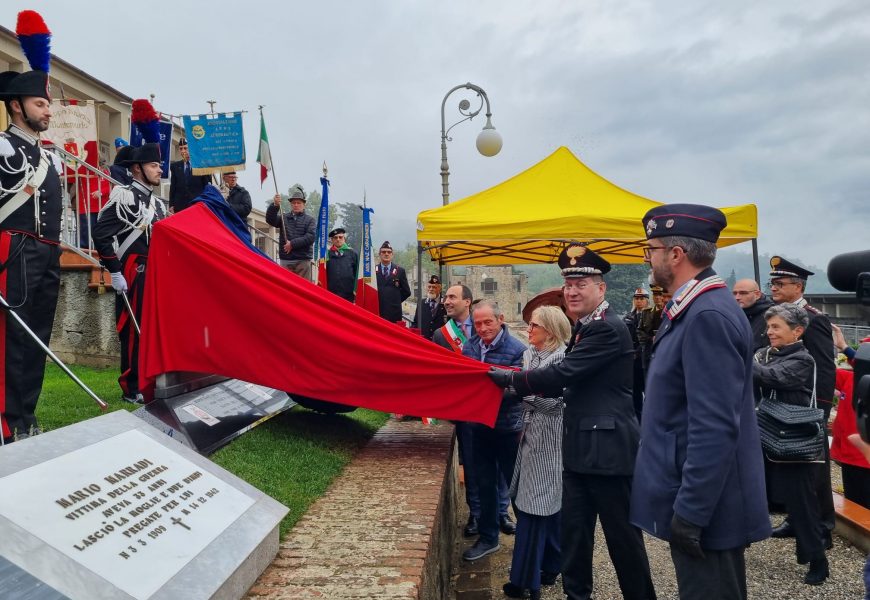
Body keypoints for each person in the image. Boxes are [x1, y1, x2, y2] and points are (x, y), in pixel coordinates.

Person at [490, 244, 656, 600]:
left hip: (609, 455)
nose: (573, 291)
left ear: (601, 288)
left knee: (623, 543)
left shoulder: (607, 328)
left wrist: (510, 381)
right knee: (574, 539)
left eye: (582, 283)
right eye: (568, 284)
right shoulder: (585, 328)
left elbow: (563, 373)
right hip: (579, 451)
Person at [630, 204, 770, 600]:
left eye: (650, 249)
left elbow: (714, 427)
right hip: (703, 499)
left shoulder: (707, 315)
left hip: (709, 507)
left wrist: (691, 511)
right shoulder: (695, 308)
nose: (648, 258)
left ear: (676, 255)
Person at [0, 47, 63, 442]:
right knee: (13, 339)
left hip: (48, 250)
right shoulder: (2, 147)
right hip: (15, 247)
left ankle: (26, 417)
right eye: (40, 103)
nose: (48, 111)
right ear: (16, 106)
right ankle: (6, 421)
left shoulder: (50, 157)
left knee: (37, 336)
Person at [753, 303, 828, 585]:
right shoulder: (765, 354)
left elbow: (774, 377)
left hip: (791, 438)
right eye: (768, 326)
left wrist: (738, 358)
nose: (769, 332)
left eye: (776, 327)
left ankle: (817, 558)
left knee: (802, 500)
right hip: (765, 431)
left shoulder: (803, 359)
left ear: (797, 331)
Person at [502, 306, 572, 600]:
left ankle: (525, 580)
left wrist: (519, 391)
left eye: (534, 326)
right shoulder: (530, 354)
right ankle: (551, 565)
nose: (528, 330)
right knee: (543, 506)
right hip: (530, 432)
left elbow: (558, 405)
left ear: (551, 331)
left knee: (534, 508)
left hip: (551, 439)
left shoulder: (562, 358)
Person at [767, 256, 836, 544]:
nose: (774, 287)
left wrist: (819, 408)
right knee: (790, 463)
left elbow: (824, 366)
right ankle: (797, 520)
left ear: (798, 286)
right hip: (785, 404)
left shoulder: (814, 319)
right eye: (772, 283)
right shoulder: (776, 316)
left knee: (815, 467)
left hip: (808, 406)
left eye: (780, 283)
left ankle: (823, 527)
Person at [93, 143, 167, 403]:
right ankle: (132, 385)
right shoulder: (123, 196)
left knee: (153, 329)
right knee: (133, 331)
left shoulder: (157, 205)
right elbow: (101, 234)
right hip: (133, 270)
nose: (160, 170)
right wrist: (114, 270)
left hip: (155, 272)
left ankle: (151, 380)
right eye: (154, 165)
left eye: (159, 165)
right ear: (137, 168)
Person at [461, 300, 525, 562]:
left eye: (488, 322)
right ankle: (488, 538)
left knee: (517, 486)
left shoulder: (517, 349)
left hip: (508, 428)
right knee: (484, 484)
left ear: (500, 319)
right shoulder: (471, 346)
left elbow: (520, 388)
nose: (483, 328)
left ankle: (529, 538)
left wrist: (486, 392)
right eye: (478, 323)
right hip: (480, 428)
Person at [831, 325, 870, 509]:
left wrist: (846, 349)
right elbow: (824, 370)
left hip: (863, 457)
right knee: (853, 503)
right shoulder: (848, 378)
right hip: (849, 455)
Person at [266, 185, 315, 278]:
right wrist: (275, 205)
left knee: (303, 288)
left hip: (303, 260)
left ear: (304, 204)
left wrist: (292, 244)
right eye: (293, 203)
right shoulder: (284, 218)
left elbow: (310, 237)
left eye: (298, 203)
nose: (296, 205)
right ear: (290, 204)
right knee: (285, 288)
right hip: (286, 259)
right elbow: (270, 220)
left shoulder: (310, 220)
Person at [623, 287, 648, 420]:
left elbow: (648, 339)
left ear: (646, 301)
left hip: (645, 359)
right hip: (631, 361)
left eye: (642, 299)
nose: (639, 301)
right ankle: (637, 420)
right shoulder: (628, 317)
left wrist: (637, 352)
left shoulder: (650, 316)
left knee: (649, 392)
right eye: (637, 298)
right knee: (634, 393)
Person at [168, 137, 211, 214]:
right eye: (181, 149)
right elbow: (173, 187)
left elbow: (207, 187)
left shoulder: (201, 165)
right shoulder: (175, 166)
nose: (183, 151)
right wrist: (171, 205)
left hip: (197, 206)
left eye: (185, 148)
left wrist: (206, 204)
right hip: (180, 207)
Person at [733, 278, 774, 353]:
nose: (737, 297)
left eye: (743, 293)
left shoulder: (772, 316)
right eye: (735, 293)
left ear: (757, 294)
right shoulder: (732, 314)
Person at [376, 241, 411, 324]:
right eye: (383, 252)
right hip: (377, 312)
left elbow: (407, 292)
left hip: (394, 313)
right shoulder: (373, 271)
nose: (386, 254)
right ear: (380, 254)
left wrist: (395, 300)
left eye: (389, 252)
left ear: (392, 254)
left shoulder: (400, 271)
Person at [636, 284, 664, 371]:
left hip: (663, 351)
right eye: (655, 294)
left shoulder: (669, 312)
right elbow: (639, 330)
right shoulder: (646, 312)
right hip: (648, 352)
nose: (658, 297)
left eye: (660, 294)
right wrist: (650, 339)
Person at [325, 227, 357, 302]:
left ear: (344, 239)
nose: (338, 239)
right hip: (331, 292)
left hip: (348, 292)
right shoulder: (327, 254)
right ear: (332, 240)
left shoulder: (352, 253)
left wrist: (355, 289)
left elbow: (356, 272)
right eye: (335, 238)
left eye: (340, 237)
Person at [412, 274, 447, 339]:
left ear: (439, 289)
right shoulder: (421, 303)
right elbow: (416, 322)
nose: (431, 289)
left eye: (434, 287)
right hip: (424, 341)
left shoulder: (446, 303)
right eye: (429, 287)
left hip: (440, 341)